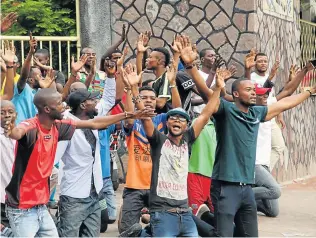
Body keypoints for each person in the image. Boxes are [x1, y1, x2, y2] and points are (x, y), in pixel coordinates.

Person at [180, 36, 316, 236]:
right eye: (249, 90)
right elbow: (207, 93)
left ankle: (202, 216)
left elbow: (284, 103)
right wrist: (190, 65)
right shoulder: (225, 110)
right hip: (225, 187)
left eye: (254, 90)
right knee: (222, 235)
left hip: (247, 189)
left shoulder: (257, 113)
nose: (254, 93)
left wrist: (308, 92)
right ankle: (189, 217)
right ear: (235, 94)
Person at [2, 87, 154, 237]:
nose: (64, 106)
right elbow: (17, 132)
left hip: (41, 205)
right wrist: (10, 129)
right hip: (22, 207)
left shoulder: (59, 125)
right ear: (47, 109)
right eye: (59, 104)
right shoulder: (31, 127)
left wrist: (130, 114)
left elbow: (95, 123)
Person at [124, 56, 225, 236]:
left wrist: (217, 88)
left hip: (184, 213)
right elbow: (145, 117)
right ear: (167, 122)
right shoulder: (158, 141)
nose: (177, 120)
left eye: (181, 119)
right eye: (172, 118)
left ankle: (144, 234)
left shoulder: (189, 138)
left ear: (186, 125)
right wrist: (133, 88)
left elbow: (207, 112)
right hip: (162, 212)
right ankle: (141, 234)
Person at [118, 58, 181, 233]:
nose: (148, 101)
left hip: (159, 187)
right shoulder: (134, 122)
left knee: (161, 231)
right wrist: (132, 89)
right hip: (134, 186)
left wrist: (173, 83)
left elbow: (179, 111)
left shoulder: (162, 120)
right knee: (128, 231)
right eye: (144, 98)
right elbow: (130, 117)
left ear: (157, 102)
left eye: (152, 98)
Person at [253, 63, 312, 218]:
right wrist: (308, 93)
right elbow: (286, 101)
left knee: (273, 211)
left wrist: (306, 75)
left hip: (263, 162)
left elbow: (288, 92)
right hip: (254, 163)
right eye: (262, 95)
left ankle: (249, 202)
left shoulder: (268, 105)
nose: (266, 97)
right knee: (275, 190)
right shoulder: (252, 111)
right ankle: (238, 197)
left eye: (267, 94)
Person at [245, 50, 286, 170]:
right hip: (260, 116)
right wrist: (271, 76)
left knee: (279, 147)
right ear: (255, 63)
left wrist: (280, 115)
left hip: (271, 116)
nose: (263, 63)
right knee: (262, 149)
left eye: (265, 61)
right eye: (260, 61)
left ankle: (265, 173)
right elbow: (258, 93)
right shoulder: (252, 78)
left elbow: (273, 97)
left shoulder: (270, 76)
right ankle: (261, 174)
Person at [0, 100, 16, 229]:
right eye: (2, 112)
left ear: (16, 114)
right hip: (2, 196)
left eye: (10, 112)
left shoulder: (22, 134)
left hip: (20, 198)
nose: (6, 115)